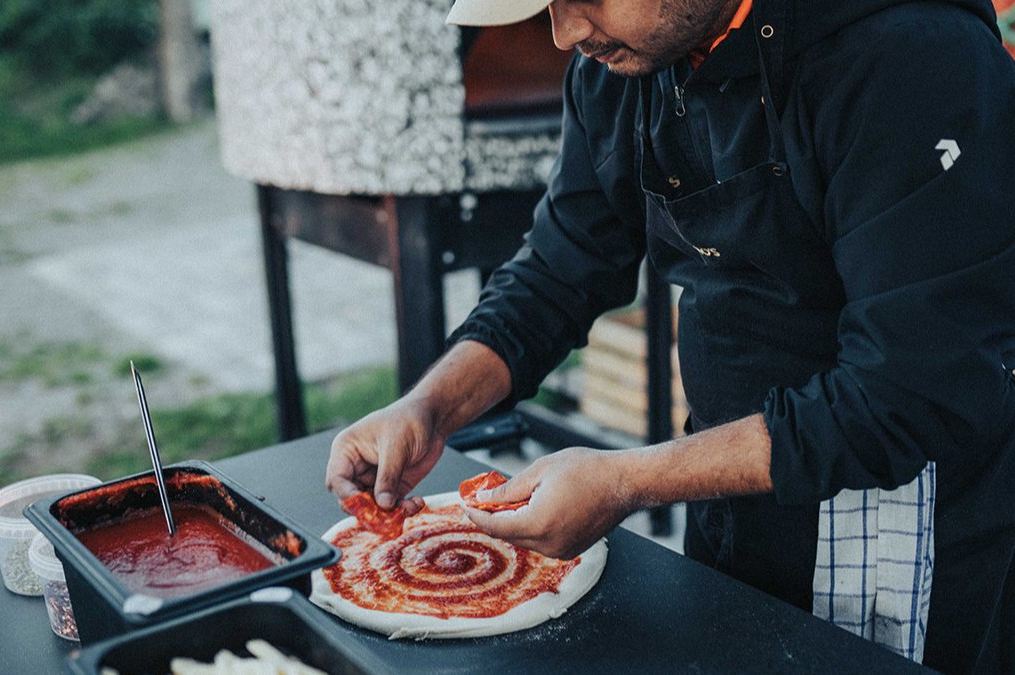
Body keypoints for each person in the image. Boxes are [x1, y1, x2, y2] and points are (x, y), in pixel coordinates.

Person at [324, 0, 1015, 670]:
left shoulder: (910, 54)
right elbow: (559, 268)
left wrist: (628, 481)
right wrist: (428, 408)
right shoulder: (628, 59)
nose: (565, 32)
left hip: (888, 519)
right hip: (729, 483)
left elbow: (905, 393)